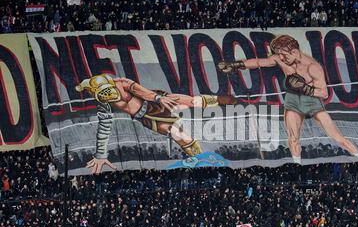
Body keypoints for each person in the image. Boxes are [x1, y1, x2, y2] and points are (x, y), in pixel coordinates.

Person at [217, 34, 358, 164]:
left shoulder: (312, 67)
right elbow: (258, 62)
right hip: (293, 100)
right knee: (293, 139)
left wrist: (304, 87)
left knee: (337, 137)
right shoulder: (282, 58)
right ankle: (296, 167)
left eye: (284, 55)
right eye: (279, 55)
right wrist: (236, 65)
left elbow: (324, 93)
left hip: (312, 101)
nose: (281, 58)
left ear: (294, 51)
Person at [75, 74, 237, 174]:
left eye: (107, 90)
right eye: (102, 93)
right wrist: (101, 155)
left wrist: (159, 98)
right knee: (179, 135)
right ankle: (203, 163)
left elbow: (141, 91)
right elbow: (104, 126)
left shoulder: (122, 83)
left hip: (154, 101)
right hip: (146, 117)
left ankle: (220, 101)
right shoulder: (102, 101)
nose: (108, 95)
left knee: (189, 101)